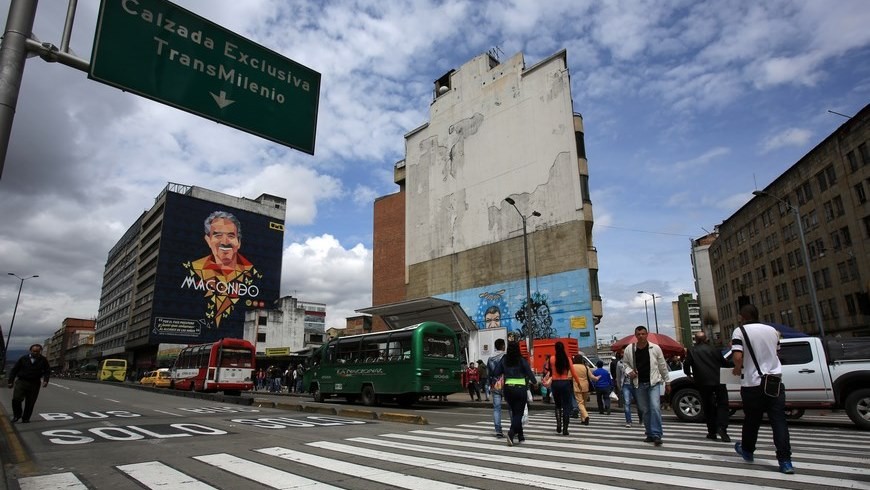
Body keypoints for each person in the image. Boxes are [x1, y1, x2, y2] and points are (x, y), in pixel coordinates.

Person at [732, 304, 794, 474]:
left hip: (752, 383)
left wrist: (738, 369)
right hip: (774, 382)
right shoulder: (773, 331)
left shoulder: (740, 331)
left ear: (742, 317)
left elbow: (737, 356)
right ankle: (785, 461)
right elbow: (776, 353)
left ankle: (747, 450)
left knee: (752, 419)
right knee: (779, 421)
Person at [184, 210, 259, 327]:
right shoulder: (192, 269)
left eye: (231, 236)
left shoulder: (255, 276)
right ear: (208, 240)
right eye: (218, 235)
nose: (224, 242)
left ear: (238, 242)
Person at [623, 325, 670, 446]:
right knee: (645, 410)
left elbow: (662, 365)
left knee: (655, 407)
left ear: (647, 334)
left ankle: (656, 434)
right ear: (635, 335)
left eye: (643, 334)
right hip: (639, 383)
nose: (641, 336)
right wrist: (630, 372)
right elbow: (625, 364)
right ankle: (649, 433)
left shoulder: (655, 348)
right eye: (638, 334)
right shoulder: (630, 348)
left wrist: (667, 381)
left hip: (653, 382)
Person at [684, 330, 730, 442]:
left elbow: (687, 364)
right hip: (718, 380)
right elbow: (724, 363)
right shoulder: (714, 349)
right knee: (723, 404)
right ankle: (722, 427)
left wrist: (688, 374)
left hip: (703, 381)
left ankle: (712, 431)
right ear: (706, 339)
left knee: (708, 406)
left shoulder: (692, 351)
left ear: (696, 340)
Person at [490, 341, 537, 446]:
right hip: (520, 389)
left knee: (515, 412)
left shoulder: (504, 359)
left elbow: (496, 372)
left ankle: (520, 435)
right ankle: (511, 433)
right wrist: (534, 382)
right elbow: (529, 373)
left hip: (508, 389)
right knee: (518, 414)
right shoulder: (521, 360)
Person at [7, 344, 51, 423]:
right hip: (22, 382)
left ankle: (26, 418)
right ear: (30, 351)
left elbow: (47, 371)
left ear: (40, 351)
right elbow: (14, 370)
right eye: (34, 351)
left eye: (37, 351)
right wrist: (10, 381)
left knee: (30, 402)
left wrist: (45, 380)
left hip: (35, 383)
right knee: (16, 399)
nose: (35, 353)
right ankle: (17, 415)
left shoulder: (43, 360)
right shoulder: (23, 358)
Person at [548, 341, 583, 436]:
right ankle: (565, 429)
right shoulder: (567, 359)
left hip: (555, 383)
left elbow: (550, 371)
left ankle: (558, 423)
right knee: (566, 406)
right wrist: (578, 383)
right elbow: (574, 372)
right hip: (565, 383)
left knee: (558, 405)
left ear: (555, 349)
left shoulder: (551, 359)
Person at [487, 338, 507, 438]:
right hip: (506, 384)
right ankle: (515, 429)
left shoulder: (490, 357)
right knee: (511, 407)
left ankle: (498, 431)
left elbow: (489, 373)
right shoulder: (505, 356)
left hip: (495, 384)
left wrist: (489, 384)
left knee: (496, 408)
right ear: (503, 346)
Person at [571, 354, 597, 425]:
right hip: (586, 386)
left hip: (577, 386)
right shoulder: (586, 367)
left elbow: (569, 377)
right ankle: (583, 420)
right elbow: (591, 376)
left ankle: (585, 416)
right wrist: (597, 378)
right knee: (584, 403)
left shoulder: (573, 367)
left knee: (580, 403)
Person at [615, 352, 640, 427]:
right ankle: (628, 421)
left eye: (624, 352)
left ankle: (641, 418)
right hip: (626, 384)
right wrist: (619, 386)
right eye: (622, 353)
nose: (623, 354)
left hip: (636, 384)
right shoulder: (620, 363)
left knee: (639, 403)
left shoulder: (636, 361)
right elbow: (618, 375)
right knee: (627, 403)